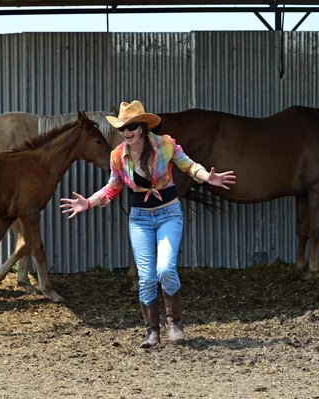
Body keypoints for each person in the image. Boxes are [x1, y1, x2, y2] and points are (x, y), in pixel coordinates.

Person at [60, 100, 236, 348]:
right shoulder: (118, 155)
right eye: (123, 128)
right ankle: (151, 331)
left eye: (131, 127)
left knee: (165, 269)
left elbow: (188, 165)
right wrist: (88, 202)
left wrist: (208, 177)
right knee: (146, 277)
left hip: (168, 214)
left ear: (142, 127)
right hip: (140, 219)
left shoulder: (165, 145)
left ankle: (174, 323)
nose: (126, 132)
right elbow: (113, 187)